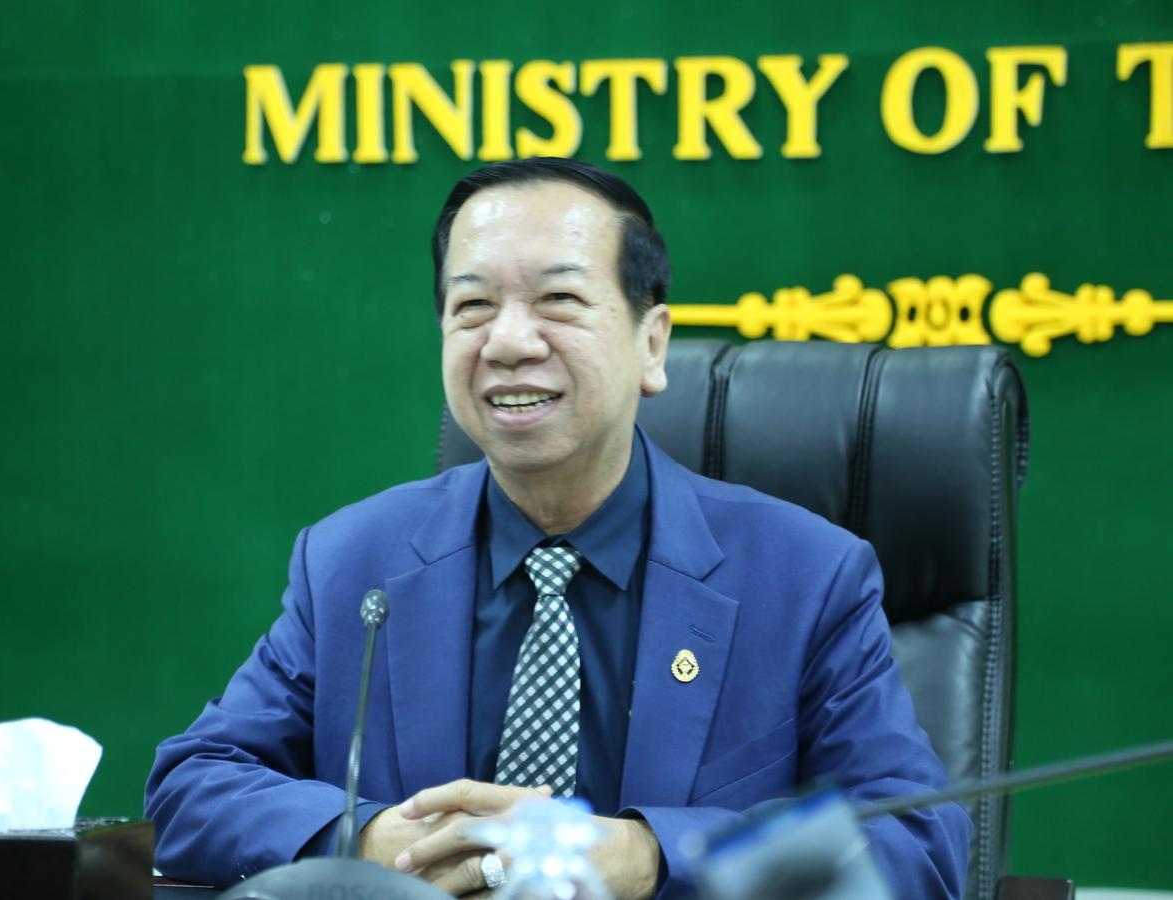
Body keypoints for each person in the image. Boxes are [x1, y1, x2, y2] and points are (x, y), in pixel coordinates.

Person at [144, 158, 971, 899]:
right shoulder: (353, 562)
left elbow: (918, 845)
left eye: (559, 300)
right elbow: (193, 786)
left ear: (653, 344)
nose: (508, 342)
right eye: (473, 306)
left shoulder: (807, 576)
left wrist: (653, 859)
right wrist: (363, 839)